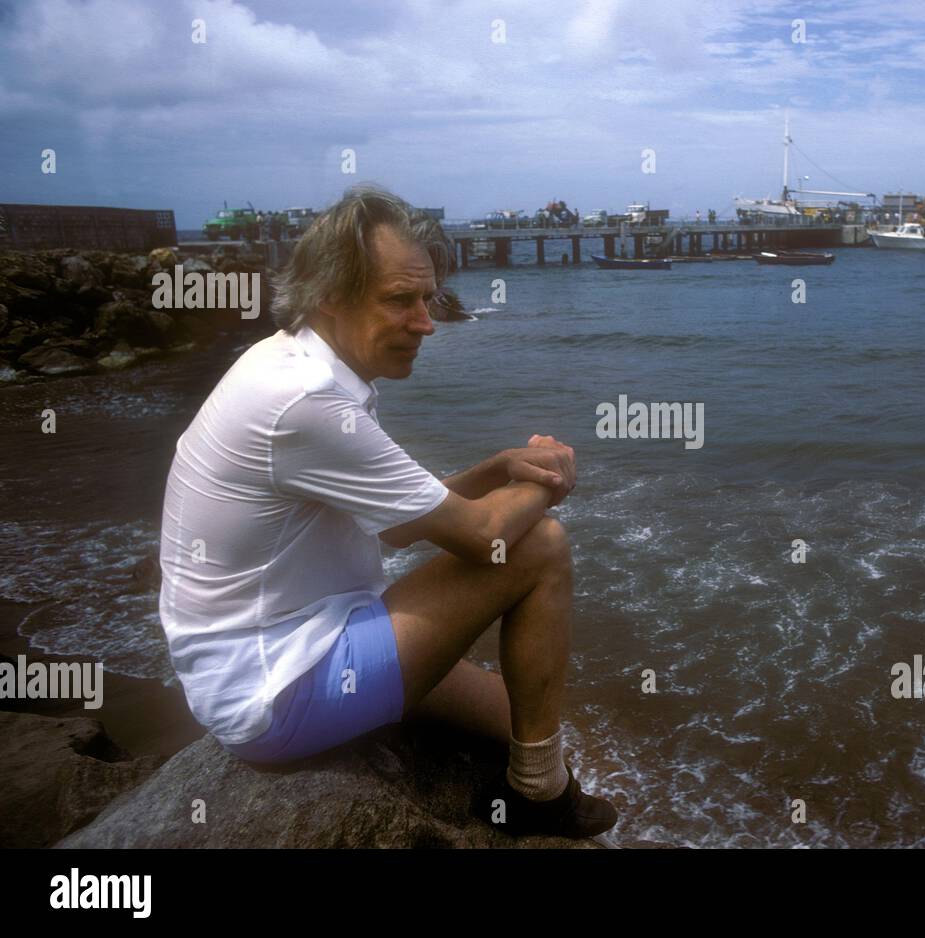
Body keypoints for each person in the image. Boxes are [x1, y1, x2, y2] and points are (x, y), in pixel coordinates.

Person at [157, 184, 617, 839]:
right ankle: (540, 798)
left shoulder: (294, 364)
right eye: (401, 300)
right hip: (277, 690)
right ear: (326, 295)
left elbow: (401, 523)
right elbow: (480, 536)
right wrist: (551, 472)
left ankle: (537, 769)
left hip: (302, 639)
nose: (427, 322)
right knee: (538, 544)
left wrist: (499, 468)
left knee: (512, 710)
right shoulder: (307, 401)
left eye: (427, 299)